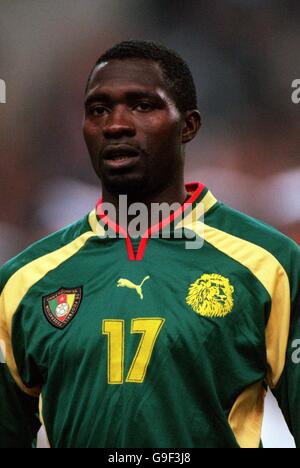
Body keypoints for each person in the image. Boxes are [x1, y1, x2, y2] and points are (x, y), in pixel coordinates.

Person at [0, 40, 299, 449]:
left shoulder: (271, 263)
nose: (116, 124)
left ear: (189, 126)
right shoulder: (23, 281)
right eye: (98, 110)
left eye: (142, 105)